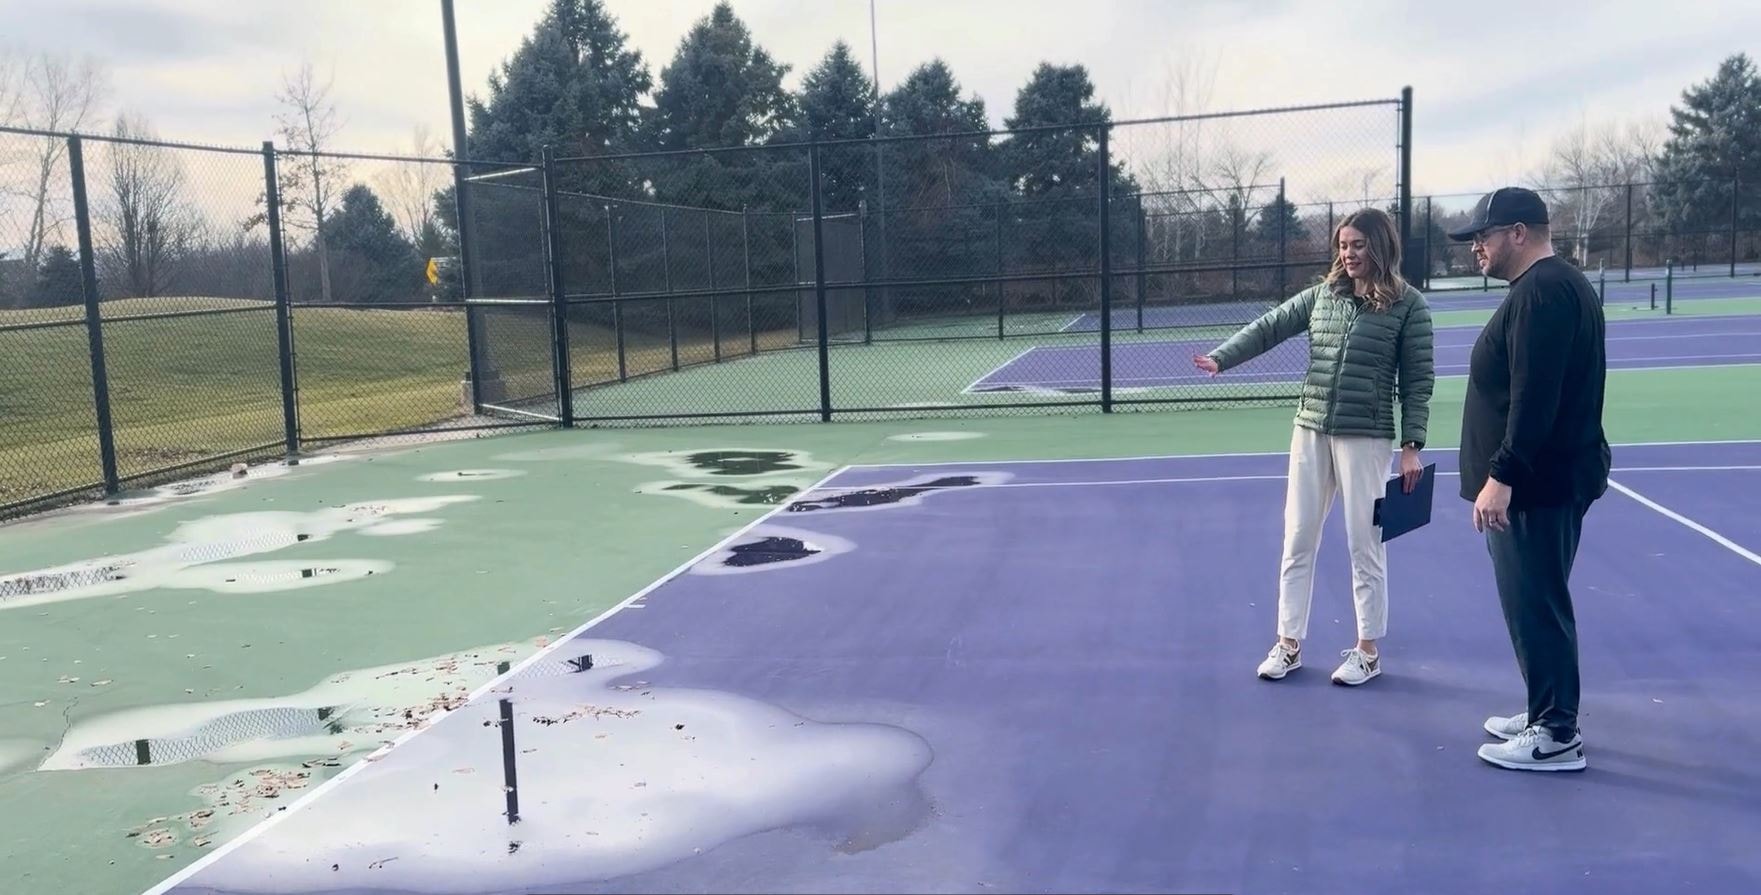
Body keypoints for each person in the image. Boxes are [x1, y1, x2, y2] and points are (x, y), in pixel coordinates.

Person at [1194, 207, 1434, 686]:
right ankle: (1288, 644)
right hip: (1310, 430)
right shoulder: (1323, 296)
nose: (1348, 254)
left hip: (1365, 436)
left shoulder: (1409, 306)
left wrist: (1412, 446)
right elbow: (1270, 326)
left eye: (1358, 245)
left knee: (1364, 544)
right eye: (1343, 246)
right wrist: (1222, 358)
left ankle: (1367, 652)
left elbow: (1417, 380)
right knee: (1298, 538)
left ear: (1380, 247)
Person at [1448, 187, 1610, 772]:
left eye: (1483, 238)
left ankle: (1556, 733)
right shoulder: (1551, 287)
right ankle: (1545, 706)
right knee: (1536, 600)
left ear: (1519, 233)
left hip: (1536, 486)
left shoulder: (1543, 293)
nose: (1476, 250)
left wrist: (1503, 474)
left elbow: (1534, 395)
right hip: (1551, 479)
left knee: (1535, 603)